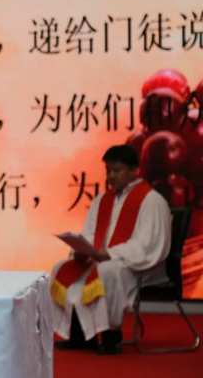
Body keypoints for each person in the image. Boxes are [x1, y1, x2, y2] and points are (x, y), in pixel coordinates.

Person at [51, 144, 171, 355]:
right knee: (63, 267)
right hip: (104, 259)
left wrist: (111, 254)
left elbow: (148, 243)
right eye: (108, 171)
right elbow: (89, 234)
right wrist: (81, 251)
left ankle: (110, 336)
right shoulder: (102, 200)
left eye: (117, 170)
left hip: (139, 266)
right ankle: (80, 336)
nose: (111, 176)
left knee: (107, 271)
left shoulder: (151, 200)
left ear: (135, 170)